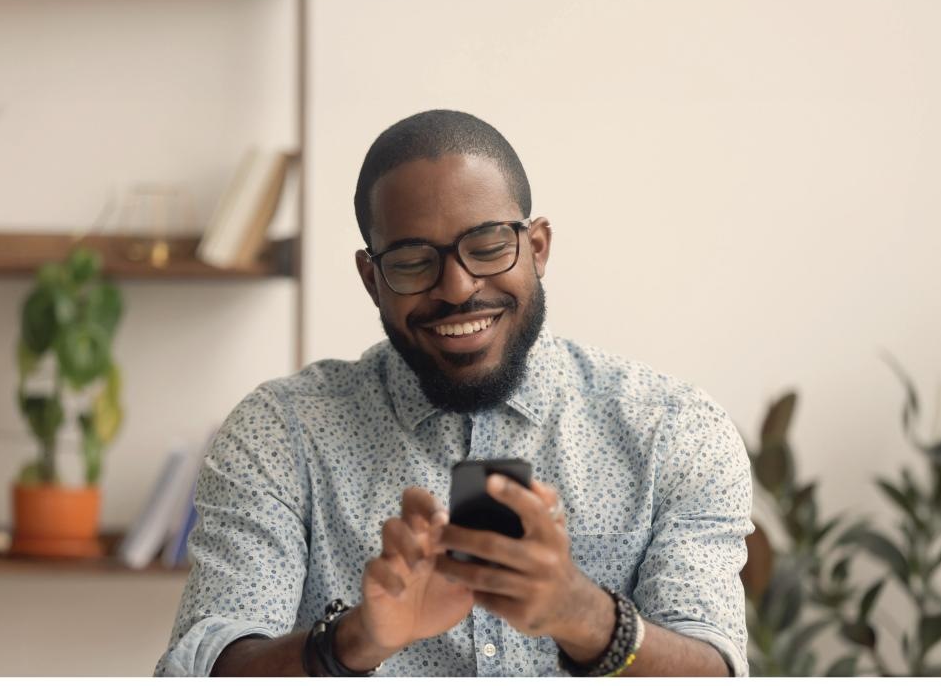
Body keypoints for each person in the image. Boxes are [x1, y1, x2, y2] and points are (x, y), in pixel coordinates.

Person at [156, 110, 751, 677]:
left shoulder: (674, 431)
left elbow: (716, 667)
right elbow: (196, 668)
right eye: (414, 261)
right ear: (372, 279)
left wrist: (583, 615)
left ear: (538, 248)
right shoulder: (281, 432)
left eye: (489, 246)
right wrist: (355, 641)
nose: (458, 288)